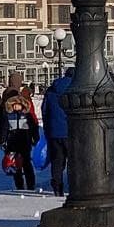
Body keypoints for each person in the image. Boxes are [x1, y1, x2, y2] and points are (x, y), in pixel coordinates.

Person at [42, 68, 73, 197]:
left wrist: (47, 130)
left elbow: (44, 112)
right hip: (71, 132)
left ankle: (57, 187)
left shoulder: (51, 92)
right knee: (73, 161)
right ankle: (73, 186)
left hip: (54, 133)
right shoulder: (75, 89)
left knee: (57, 161)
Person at [4, 89, 40, 190]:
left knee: (26, 163)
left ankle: (30, 184)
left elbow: (33, 127)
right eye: (14, 105)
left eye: (18, 105)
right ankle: (19, 184)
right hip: (12, 143)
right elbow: (4, 128)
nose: (16, 107)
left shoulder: (27, 116)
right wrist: (3, 140)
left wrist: (35, 137)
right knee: (16, 165)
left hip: (25, 141)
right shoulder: (9, 116)